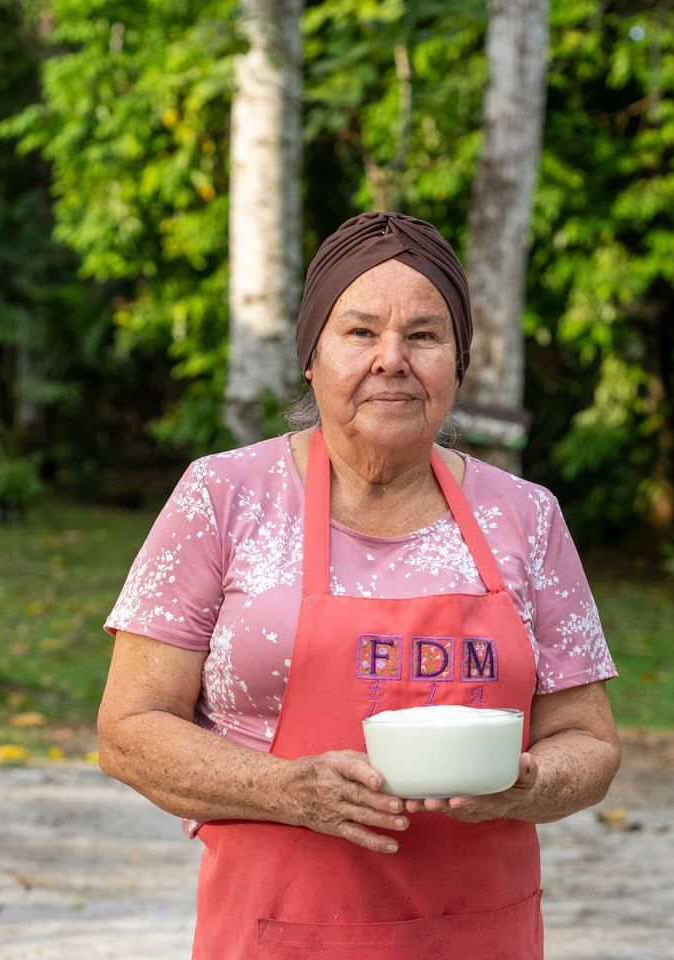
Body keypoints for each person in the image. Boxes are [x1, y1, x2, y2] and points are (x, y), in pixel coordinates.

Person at [97, 211, 620, 960]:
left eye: (425, 335)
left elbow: (591, 742)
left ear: (459, 363)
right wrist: (288, 790)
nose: (392, 359)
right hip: (278, 936)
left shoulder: (527, 516)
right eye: (360, 332)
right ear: (312, 355)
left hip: (480, 934)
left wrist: (531, 784)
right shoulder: (223, 497)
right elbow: (127, 732)